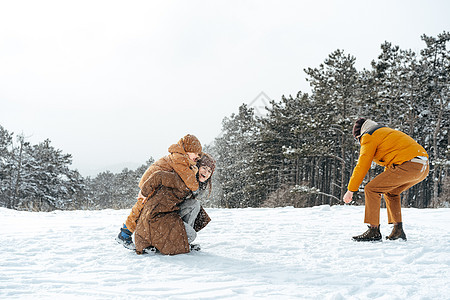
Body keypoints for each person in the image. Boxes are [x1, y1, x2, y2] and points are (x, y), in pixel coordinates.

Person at [343, 118, 429, 241]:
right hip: (422, 166)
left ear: (359, 134)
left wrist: (351, 189)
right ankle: (398, 230)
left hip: (409, 164)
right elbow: (392, 163)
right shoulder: (385, 132)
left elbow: (362, 164)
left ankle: (373, 230)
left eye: (358, 140)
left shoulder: (369, 136)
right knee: (391, 192)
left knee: (371, 189)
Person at [115, 134, 203, 250]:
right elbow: (191, 182)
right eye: (196, 153)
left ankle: (179, 239)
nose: (198, 156)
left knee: (141, 208)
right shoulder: (179, 158)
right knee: (141, 209)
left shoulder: (181, 158)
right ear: (188, 150)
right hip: (151, 184)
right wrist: (195, 175)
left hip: (154, 184)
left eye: (199, 154)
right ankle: (124, 235)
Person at [134, 153, 216, 255]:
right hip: (156, 217)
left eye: (209, 171)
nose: (206, 173)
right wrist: (143, 192)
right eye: (204, 168)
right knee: (191, 235)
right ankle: (167, 242)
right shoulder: (183, 177)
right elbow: (158, 176)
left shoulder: (193, 184)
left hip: (168, 213)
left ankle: (182, 240)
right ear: (197, 167)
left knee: (194, 205)